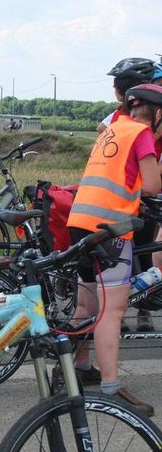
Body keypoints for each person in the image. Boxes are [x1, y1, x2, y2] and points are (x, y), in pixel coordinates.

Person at [67, 83, 162, 417]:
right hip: (111, 227)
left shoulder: (115, 128)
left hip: (80, 219)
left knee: (86, 301)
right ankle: (111, 387)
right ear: (159, 114)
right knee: (113, 309)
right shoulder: (143, 133)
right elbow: (152, 185)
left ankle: (75, 368)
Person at [96, 58, 157, 333]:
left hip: (145, 194)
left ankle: (140, 308)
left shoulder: (149, 112)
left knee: (142, 250)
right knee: (128, 253)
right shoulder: (121, 118)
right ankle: (117, 313)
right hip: (130, 195)